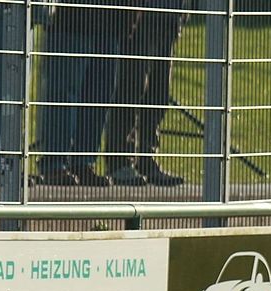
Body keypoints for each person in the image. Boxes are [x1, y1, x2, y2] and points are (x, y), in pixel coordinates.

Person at [36, 0, 137, 186]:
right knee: (64, 95)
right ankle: (55, 163)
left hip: (110, 23)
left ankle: (83, 162)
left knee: (99, 96)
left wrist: (129, 17)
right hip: (70, 21)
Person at [105, 0, 186, 187]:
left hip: (168, 19)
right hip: (141, 18)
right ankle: (120, 161)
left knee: (159, 94)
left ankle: (146, 158)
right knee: (131, 89)